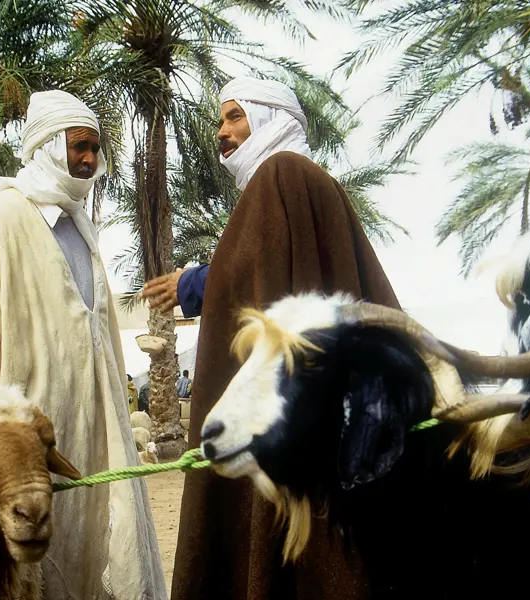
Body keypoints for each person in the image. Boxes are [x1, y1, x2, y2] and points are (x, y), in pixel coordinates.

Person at [169, 77, 402, 600]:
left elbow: (266, 290)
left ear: (270, 117)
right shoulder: (300, 183)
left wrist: (196, 281)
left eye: (234, 117)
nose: (221, 133)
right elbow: (263, 275)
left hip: (289, 421)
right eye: (219, 120)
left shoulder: (282, 175)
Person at [0, 89, 166, 600]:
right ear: (45, 144)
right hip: (26, 430)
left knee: (91, 539)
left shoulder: (82, 230)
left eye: (95, 149)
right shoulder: (0, 218)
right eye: (79, 147)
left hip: (90, 423)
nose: (90, 161)